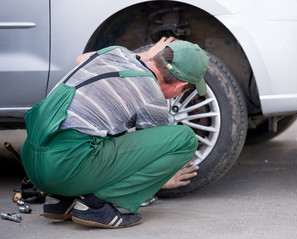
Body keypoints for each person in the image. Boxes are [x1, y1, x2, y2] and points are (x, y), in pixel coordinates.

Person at [20, 37, 209, 228]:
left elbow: (81, 58)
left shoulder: (115, 52)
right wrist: (162, 179)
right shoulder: (152, 95)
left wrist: (147, 55)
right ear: (179, 86)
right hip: (64, 168)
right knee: (184, 139)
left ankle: (62, 201)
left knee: (106, 127)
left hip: (33, 159)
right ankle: (95, 206)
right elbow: (149, 156)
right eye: (188, 89)